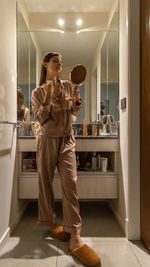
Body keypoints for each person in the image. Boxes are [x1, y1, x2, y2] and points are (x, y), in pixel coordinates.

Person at [31, 52, 100, 266]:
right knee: (45, 184)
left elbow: (73, 113)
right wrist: (49, 99)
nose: (59, 63)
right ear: (45, 64)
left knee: (70, 184)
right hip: (47, 139)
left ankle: (75, 236)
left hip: (67, 140)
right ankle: (51, 223)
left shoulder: (70, 85)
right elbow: (40, 118)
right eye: (55, 60)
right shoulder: (37, 92)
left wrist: (77, 103)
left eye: (61, 61)